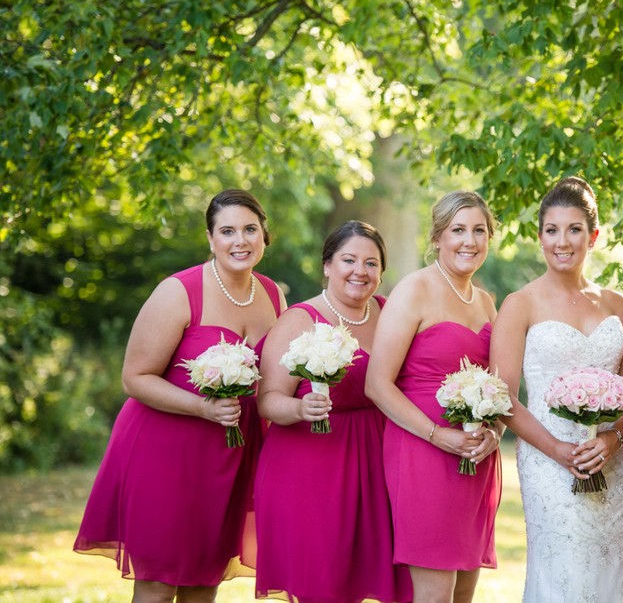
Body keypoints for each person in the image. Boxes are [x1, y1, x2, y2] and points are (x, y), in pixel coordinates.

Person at [74, 189, 286, 602]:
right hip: (164, 451)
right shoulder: (178, 291)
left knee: (204, 581)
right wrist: (201, 406)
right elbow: (135, 377)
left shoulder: (273, 296)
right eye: (227, 231)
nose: (239, 241)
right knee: (157, 582)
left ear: (264, 236)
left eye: (249, 230)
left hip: (230, 455)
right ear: (210, 239)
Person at [490, 176, 623, 603]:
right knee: (565, 572)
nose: (563, 241)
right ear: (539, 236)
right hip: (547, 461)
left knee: (616, 566)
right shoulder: (519, 304)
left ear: (593, 236)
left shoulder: (616, 303)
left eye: (574, 229)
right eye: (552, 230)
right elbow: (502, 399)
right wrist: (558, 450)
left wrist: (614, 441)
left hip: (614, 462)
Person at [254, 221, 412, 603]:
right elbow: (268, 398)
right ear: (327, 265)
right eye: (349, 260)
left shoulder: (391, 313)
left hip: (380, 467)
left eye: (371, 263)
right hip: (312, 469)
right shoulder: (300, 319)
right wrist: (299, 406)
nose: (360, 271)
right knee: (324, 586)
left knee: (380, 584)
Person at [365, 191, 502, 603]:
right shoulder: (414, 290)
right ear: (438, 237)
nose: (469, 241)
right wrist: (437, 435)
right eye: (458, 230)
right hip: (423, 452)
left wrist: (493, 433)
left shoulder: (486, 302)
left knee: (464, 590)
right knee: (433, 592)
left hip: (475, 458)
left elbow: (495, 388)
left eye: (479, 230)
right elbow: (377, 384)